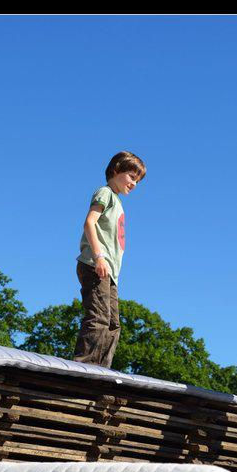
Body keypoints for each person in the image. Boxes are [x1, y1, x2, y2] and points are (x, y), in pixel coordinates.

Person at [74, 151, 146, 367]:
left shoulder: (118, 202)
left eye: (138, 181)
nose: (134, 184)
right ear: (116, 170)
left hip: (110, 273)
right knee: (98, 318)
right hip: (95, 264)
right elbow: (89, 222)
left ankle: (102, 370)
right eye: (131, 177)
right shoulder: (105, 193)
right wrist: (99, 257)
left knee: (113, 324)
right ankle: (84, 366)